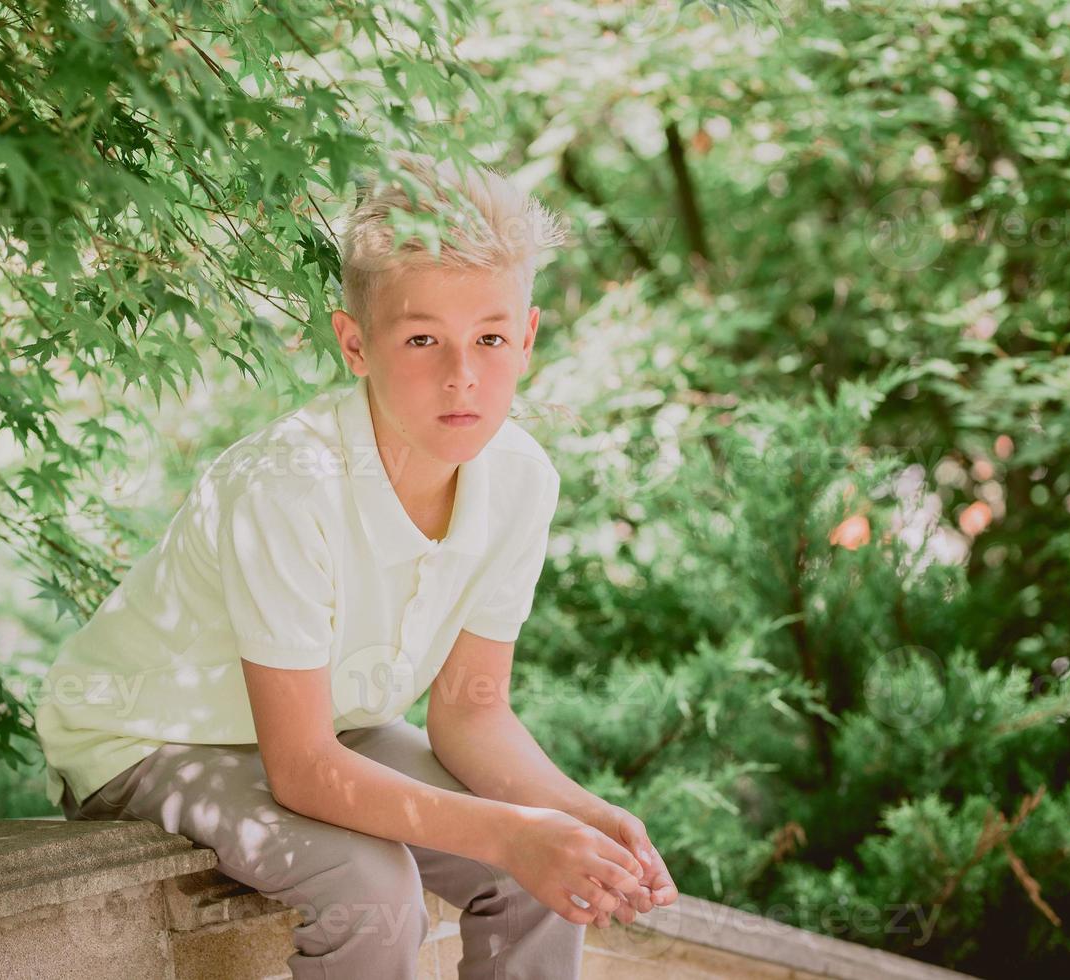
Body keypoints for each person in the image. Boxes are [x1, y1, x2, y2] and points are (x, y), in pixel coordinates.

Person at [34, 149, 678, 978]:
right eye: (421, 339)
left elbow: (471, 715)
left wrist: (579, 815)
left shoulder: (520, 479)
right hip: (148, 739)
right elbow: (301, 769)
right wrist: (514, 832)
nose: (462, 377)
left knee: (537, 877)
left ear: (527, 338)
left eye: (489, 338)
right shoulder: (288, 485)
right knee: (373, 889)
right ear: (355, 343)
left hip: (335, 726)